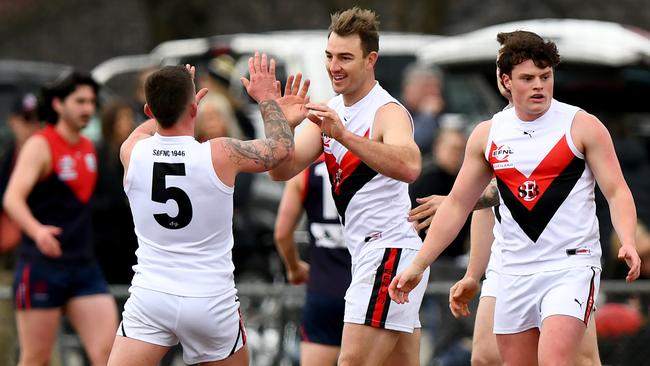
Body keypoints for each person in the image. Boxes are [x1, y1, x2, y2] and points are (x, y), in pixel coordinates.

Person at [390, 30, 641, 366]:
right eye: (527, 78)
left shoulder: (581, 126)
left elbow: (616, 190)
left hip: (570, 266)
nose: (539, 85)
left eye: (545, 76)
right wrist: (419, 265)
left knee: (555, 359)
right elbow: (458, 205)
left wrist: (627, 239)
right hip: (513, 272)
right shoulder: (487, 134)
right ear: (506, 81)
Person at [106, 59, 310, 366]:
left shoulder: (132, 151)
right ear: (194, 108)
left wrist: (171, 103)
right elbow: (281, 149)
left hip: (152, 297)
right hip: (210, 301)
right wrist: (269, 100)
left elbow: (146, 127)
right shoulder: (219, 152)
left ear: (149, 111)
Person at [266, 7, 427, 366]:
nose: (334, 66)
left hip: (389, 252)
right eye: (329, 56)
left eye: (345, 58)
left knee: (349, 362)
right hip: (373, 255)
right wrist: (280, 124)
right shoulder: (329, 111)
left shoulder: (386, 110)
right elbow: (281, 170)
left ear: (371, 60)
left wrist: (345, 135)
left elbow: (410, 165)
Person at [3, 72, 118, 366]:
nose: (87, 109)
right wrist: (37, 231)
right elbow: (12, 198)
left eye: (91, 102)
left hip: (83, 266)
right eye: (79, 101)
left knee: (109, 354)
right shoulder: (41, 145)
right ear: (57, 104)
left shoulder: (88, 147)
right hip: (42, 266)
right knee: (37, 359)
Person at [274, 155, 351, 366]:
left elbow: (282, 233)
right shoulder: (372, 164)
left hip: (323, 288)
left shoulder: (306, 171)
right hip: (366, 288)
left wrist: (294, 268)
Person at [0, 90, 42, 366]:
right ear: (13, 121)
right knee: (4, 334)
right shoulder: (5, 156)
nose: (31, 125)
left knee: (41, 341)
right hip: (7, 257)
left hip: (38, 259)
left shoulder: (45, 153)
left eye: (35, 119)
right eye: (25, 119)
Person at [92, 99, 138, 285]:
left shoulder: (137, 153)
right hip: (106, 240)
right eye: (122, 119)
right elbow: (91, 199)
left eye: (129, 118)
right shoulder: (99, 156)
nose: (128, 123)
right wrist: (117, 202)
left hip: (132, 238)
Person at [400, 63, 445, 156]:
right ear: (409, 89)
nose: (435, 92)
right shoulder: (394, 111)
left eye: (437, 87)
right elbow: (414, 144)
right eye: (427, 87)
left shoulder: (440, 112)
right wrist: (428, 115)